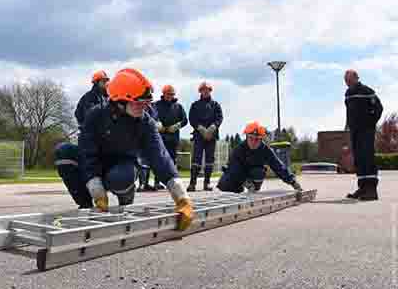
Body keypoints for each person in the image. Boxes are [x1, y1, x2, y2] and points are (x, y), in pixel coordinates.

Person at [54, 68, 194, 231]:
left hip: (122, 165)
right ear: (120, 101)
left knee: (122, 177)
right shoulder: (95, 116)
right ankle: (87, 206)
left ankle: (126, 197)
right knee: (64, 152)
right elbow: (87, 153)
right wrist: (96, 190)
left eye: (146, 103)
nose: (144, 107)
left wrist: (182, 198)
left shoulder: (145, 122)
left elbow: (160, 157)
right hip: (97, 163)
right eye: (139, 103)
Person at [216, 121, 302, 194]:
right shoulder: (239, 149)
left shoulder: (265, 150)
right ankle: (239, 188)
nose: (253, 142)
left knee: (259, 172)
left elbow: (278, 166)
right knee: (225, 184)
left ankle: (254, 189)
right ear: (246, 137)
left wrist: (293, 182)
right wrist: (244, 181)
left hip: (254, 173)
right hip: (240, 175)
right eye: (251, 138)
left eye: (257, 139)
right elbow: (232, 168)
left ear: (261, 139)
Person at [344, 69, 383, 200]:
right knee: (359, 160)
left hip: (366, 131)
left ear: (356, 78)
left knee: (367, 158)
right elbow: (349, 113)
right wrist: (348, 127)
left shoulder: (367, 91)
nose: (347, 82)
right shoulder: (348, 94)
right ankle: (362, 188)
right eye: (345, 80)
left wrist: (370, 123)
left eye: (349, 79)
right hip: (354, 130)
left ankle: (372, 190)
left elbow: (379, 108)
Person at [188, 82, 223, 191]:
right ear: (200, 91)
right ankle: (192, 183)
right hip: (199, 135)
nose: (205, 91)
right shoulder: (195, 105)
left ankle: (206, 183)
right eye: (203, 89)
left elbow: (220, 117)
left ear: (210, 91)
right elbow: (192, 118)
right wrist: (201, 128)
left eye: (207, 89)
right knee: (196, 159)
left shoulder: (216, 105)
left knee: (209, 160)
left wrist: (213, 127)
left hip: (211, 136)